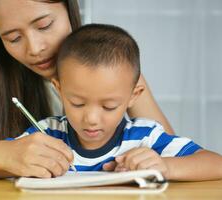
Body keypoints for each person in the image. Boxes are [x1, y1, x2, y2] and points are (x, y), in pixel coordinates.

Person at [0, 0, 173, 179]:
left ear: (69, 9)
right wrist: (4, 154)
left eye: (43, 26)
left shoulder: (115, 78)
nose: (34, 48)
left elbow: (170, 157)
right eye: (13, 38)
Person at [17, 23, 222, 180]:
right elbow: (4, 162)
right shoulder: (47, 133)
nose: (91, 119)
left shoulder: (145, 137)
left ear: (134, 95)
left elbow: (216, 164)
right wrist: (20, 162)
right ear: (59, 89)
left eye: (109, 106)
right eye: (78, 103)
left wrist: (166, 166)